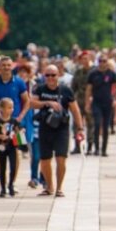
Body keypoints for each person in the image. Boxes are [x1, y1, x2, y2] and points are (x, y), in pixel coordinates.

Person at [30, 64, 85, 197]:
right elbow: (32, 103)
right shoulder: (40, 89)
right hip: (45, 127)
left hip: (62, 129)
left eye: (53, 75)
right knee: (45, 160)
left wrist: (80, 128)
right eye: (47, 75)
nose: (50, 78)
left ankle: (59, 187)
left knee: (61, 158)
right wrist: (47, 103)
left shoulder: (66, 90)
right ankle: (49, 186)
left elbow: (75, 109)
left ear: (58, 75)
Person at [0, 98, 21, 198]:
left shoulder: (14, 121)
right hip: (1, 147)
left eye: (12, 108)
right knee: (2, 168)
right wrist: (1, 136)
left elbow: (18, 133)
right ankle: (3, 188)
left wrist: (19, 142)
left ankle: (11, 185)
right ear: (2, 109)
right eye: (9, 107)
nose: (11, 110)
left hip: (12, 147)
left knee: (13, 167)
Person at [85, 58, 116, 156]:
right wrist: (87, 103)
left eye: (104, 61)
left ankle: (104, 149)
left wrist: (115, 98)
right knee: (97, 124)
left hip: (108, 102)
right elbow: (88, 89)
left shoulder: (111, 74)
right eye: (100, 61)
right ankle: (96, 148)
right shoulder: (93, 74)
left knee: (106, 126)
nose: (102, 63)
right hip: (96, 102)